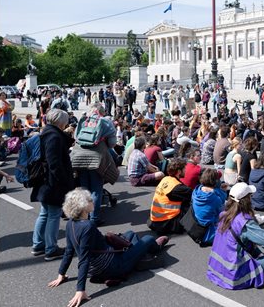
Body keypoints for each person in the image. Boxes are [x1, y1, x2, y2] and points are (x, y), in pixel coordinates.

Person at [48, 189, 170, 307]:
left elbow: (69, 251)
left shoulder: (70, 223)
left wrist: (61, 274)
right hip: (112, 265)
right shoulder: (88, 226)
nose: (93, 201)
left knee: (130, 234)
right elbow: (84, 259)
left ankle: (134, 261)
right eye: (90, 200)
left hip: (95, 269)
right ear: (84, 206)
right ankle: (154, 249)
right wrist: (80, 290)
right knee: (148, 239)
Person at [206, 182, 264, 290]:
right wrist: (258, 228)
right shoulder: (245, 221)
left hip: (215, 269)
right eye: (250, 196)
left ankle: (259, 259)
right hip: (234, 276)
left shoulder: (223, 215)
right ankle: (260, 267)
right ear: (247, 200)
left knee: (246, 243)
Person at [31, 109, 75, 261]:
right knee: (54, 215)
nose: (67, 123)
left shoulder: (47, 132)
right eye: (65, 120)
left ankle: (38, 245)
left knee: (44, 213)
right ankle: (51, 248)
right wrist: (63, 181)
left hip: (45, 181)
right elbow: (54, 162)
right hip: (53, 182)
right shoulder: (54, 136)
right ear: (60, 121)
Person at [70, 103, 119, 226]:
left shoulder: (83, 120)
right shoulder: (105, 122)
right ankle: (94, 218)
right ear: (102, 112)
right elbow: (113, 143)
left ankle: (84, 216)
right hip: (96, 158)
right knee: (96, 189)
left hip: (78, 157)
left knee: (85, 188)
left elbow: (76, 137)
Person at [147, 158, 193, 235]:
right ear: (179, 171)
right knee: (193, 207)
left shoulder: (165, 179)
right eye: (184, 168)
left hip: (154, 220)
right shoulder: (177, 188)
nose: (186, 170)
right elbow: (194, 195)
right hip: (166, 223)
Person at [192, 169, 229, 246]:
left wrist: (219, 189)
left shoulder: (196, 190)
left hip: (199, 224)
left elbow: (211, 191)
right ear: (215, 182)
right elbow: (221, 208)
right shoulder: (215, 199)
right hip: (209, 232)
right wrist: (223, 191)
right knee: (232, 213)